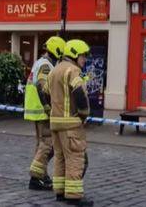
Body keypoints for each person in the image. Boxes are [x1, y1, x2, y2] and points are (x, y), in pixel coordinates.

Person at [44, 39, 93, 206]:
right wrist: (83, 114)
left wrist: (51, 109)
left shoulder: (54, 70)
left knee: (60, 158)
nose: (84, 59)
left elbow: (44, 92)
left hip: (55, 123)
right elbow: (79, 93)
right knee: (74, 158)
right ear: (74, 54)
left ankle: (60, 192)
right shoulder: (73, 71)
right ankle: (73, 195)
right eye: (83, 56)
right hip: (71, 124)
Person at [24, 36, 66, 190]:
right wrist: (49, 107)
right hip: (43, 111)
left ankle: (41, 174)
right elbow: (43, 87)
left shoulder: (42, 62)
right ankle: (36, 178)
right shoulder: (46, 66)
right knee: (47, 144)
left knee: (42, 144)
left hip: (38, 111)